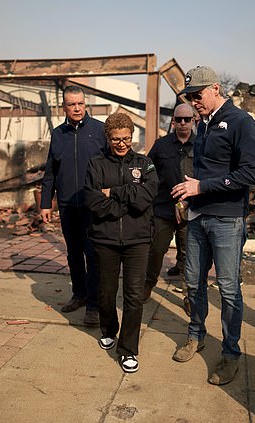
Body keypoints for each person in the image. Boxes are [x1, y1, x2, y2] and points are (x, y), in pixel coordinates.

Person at [170, 66, 255, 385]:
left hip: (225, 218)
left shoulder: (241, 123)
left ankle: (231, 353)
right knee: (193, 282)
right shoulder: (203, 125)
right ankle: (196, 336)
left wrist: (202, 187)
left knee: (228, 288)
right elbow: (201, 173)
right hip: (198, 215)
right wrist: (189, 195)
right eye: (190, 97)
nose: (194, 101)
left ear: (216, 89)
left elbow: (249, 174)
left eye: (198, 95)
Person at [84, 113, 158, 373]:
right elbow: (93, 201)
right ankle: (108, 329)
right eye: (116, 139)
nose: (122, 143)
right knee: (105, 291)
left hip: (138, 240)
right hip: (105, 238)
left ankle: (128, 350)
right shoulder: (95, 164)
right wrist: (125, 205)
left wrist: (114, 193)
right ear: (108, 138)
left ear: (132, 136)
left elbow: (146, 197)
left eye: (126, 138)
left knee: (134, 296)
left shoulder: (145, 163)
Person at [40, 86, 106, 327]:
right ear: (64, 107)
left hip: (93, 205)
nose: (77, 108)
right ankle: (79, 294)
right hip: (67, 205)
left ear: (85, 103)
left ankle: (93, 305)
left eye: (80, 103)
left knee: (93, 254)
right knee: (73, 253)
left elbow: (110, 166)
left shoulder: (100, 131)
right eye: (71, 104)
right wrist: (46, 203)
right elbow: (50, 172)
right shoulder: (57, 134)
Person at [143, 104, 195, 312]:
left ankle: (190, 295)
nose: (183, 123)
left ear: (194, 121)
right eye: (179, 119)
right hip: (163, 209)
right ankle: (148, 284)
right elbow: (147, 167)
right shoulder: (161, 145)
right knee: (156, 249)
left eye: (187, 119)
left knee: (190, 254)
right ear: (173, 121)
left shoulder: (202, 145)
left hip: (191, 210)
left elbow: (208, 174)